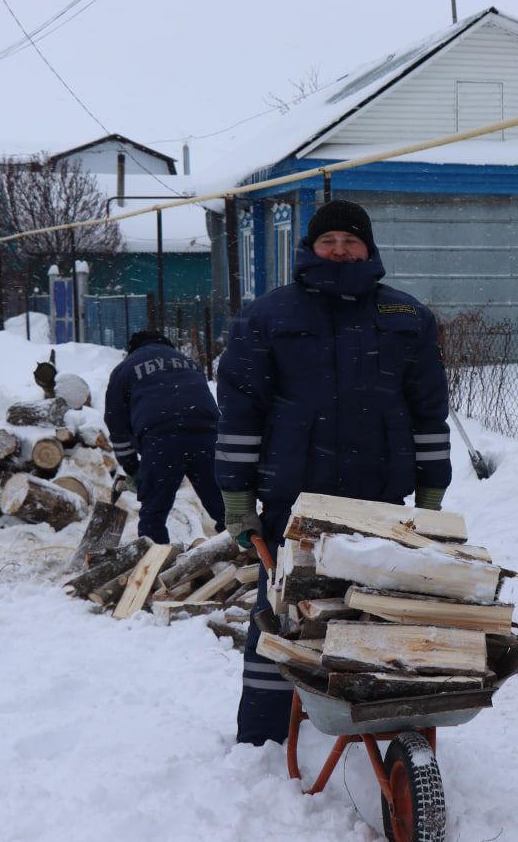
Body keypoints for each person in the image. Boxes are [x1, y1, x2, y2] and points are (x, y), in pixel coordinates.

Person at [216, 199, 452, 745]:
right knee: (280, 617)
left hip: (381, 501)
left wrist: (432, 489)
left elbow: (428, 411)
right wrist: (236, 496)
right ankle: (266, 738)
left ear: (369, 249)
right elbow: (240, 413)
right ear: (310, 249)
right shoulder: (267, 317)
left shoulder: (407, 318)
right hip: (296, 501)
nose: (340, 249)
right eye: (329, 241)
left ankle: (383, 724)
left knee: (381, 611)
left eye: (351, 240)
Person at [104, 330, 225, 544]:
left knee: (154, 514)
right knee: (224, 507)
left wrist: (132, 467)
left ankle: (154, 565)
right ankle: (243, 556)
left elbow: (116, 424)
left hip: (162, 439)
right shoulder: (187, 362)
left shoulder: (125, 370)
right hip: (207, 435)